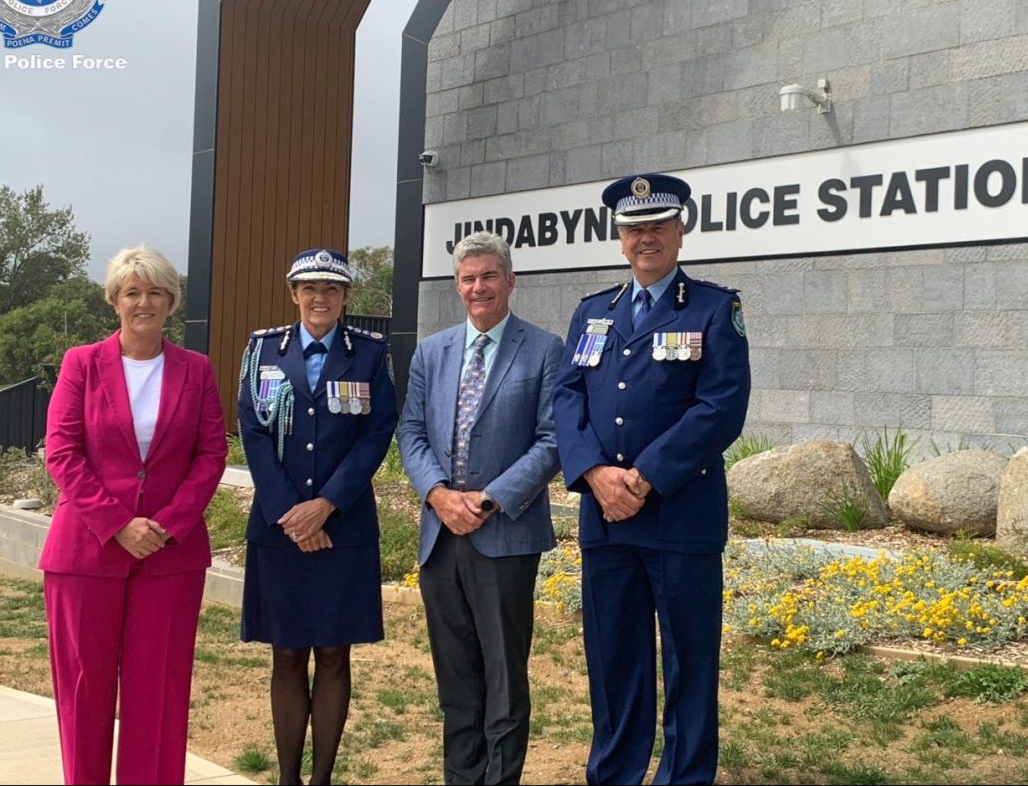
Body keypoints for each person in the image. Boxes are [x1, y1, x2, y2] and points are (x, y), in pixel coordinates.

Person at [553, 173, 752, 786]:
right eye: (634, 229)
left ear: (680, 232)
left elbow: (721, 406)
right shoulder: (593, 313)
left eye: (658, 227)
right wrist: (593, 472)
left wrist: (643, 478)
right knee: (614, 658)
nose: (646, 239)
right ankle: (613, 772)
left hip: (679, 516)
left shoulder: (716, 308)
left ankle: (684, 776)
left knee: (690, 662)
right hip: (605, 518)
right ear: (619, 240)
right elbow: (565, 397)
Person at [40, 245, 227, 785]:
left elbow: (211, 454)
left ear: (170, 302)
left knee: (159, 693)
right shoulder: (81, 364)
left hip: (170, 556)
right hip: (87, 553)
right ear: (115, 301)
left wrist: (166, 525)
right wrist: (118, 523)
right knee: (84, 691)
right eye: (132, 292)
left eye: (155, 293)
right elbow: (63, 452)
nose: (143, 302)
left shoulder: (196, 370)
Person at [397, 231, 562, 786]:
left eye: (489, 276)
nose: (478, 287)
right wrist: (440, 495)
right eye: (468, 278)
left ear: (510, 281)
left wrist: (489, 500)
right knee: (457, 678)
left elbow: (552, 440)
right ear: (457, 285)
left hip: (504, 535)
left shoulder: (544, 350)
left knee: (504, 679)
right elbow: (412, 431)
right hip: (441, 535)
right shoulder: (432, 350)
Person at [238, 247, 398, 786]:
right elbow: (254, 433)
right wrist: (291, 513)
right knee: (286, 653)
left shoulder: (370, 355)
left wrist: (325, 506)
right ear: (293, 294)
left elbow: (377, 434)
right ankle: (287, 779)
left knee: (333, 653)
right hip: (280, 530)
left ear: (346, 297)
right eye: (309, 288)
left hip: (343, 528)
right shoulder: (263, 351)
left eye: (331, 289)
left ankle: (322, 778)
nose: (319, 298)